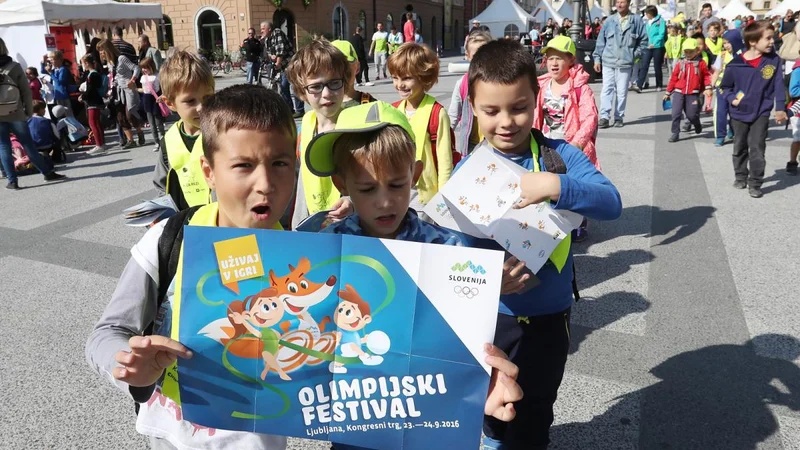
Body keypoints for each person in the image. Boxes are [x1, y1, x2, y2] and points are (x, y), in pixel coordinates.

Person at [302, 100, 524, 450]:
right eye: (367, 189)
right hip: (355, 408)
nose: (384, 201)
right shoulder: (325, 249)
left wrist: (489, 291)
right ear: (341, 183)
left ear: (416, 174)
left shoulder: (447, 248)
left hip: (425, 407)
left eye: (396, 185)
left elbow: (465, 327)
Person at [86, 85, 297, 450]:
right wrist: (130, 366)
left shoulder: (301, 257)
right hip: (175, 438)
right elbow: (106, 333)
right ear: (209, 172)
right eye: (243, 166)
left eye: (279, 164)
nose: (265, 185)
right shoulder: (170, 240)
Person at [461, 39, 622, 450]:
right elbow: (449, 245)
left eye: (518, 107)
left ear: (537, 97)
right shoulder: (468, 170)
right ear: (473, 106)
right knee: (491, 409)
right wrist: (487, 278)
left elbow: (611, 203)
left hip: (551, 315)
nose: (506, 122)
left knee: (537, 407)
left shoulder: (559, 156)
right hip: (490, 317)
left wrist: (557, 185)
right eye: (491, 111)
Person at [533, 35, 601, 242]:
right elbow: (535, 113)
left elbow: (591, 116)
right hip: (548, 141)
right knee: (551, 182)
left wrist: (578, 143)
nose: (553, 63)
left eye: (559, 58)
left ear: (571, 60)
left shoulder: (580, 87)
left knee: (574, 184)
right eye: (550, 58)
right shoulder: (541, 85)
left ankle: (578, 223)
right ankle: (554, 222)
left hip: (572, 143)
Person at [286, 39, 354, 228]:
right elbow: (302, 182)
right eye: (316, 86)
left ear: (345, 82)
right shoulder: (306, 124)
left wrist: (352, 201)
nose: (326, 93)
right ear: (301, 92)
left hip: (348, 227)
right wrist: (296, 225)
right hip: (311, 224)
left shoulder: (356, 126)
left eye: (334, 83)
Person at [720, 20, 787, 198]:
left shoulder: (773, 61)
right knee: (740, 146)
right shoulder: (735, 64)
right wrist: (732, 99)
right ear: (753, 42)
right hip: (739, 113)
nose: (772, 41)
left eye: (772, 38)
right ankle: (740, 176)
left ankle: (755, 182)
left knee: (757, 147)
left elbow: (779, 86)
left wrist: (780, 108)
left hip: (761, 112)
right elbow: (725, 87)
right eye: (768, 38)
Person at [388, 43, 453, 216]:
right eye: (395, 77)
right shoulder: (393, 110)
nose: (399, 84)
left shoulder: (437, 113)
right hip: (396, 191)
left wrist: (444, 198)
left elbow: (445, 160)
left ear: (424, 77)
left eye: (406, 78)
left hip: (424, 195)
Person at [152, 50, 215, 210]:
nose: (201, 107)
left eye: (207, 98)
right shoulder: (169, 140)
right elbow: (162, 185)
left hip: (220, 223)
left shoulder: (222, 133)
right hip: (185, 224)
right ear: (170, 103)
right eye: (190, 101)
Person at [0, 38, 66, 190]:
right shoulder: (14, 67)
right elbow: (25, 91)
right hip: (15, 111)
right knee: (27, 143)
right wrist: (29, 111)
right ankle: (47, 173)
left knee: (3, 146)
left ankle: (12, 181)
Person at [593, 0, 649, 128]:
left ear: (628, 3)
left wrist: (633, 55)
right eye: (617, 2)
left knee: (622, 91)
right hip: (608, 60)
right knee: (607, 89)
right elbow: (601, 41)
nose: (619, 4)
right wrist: (597, 58)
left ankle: (619, 117)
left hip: (625, 63)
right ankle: (604, 117)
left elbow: (643, 41)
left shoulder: (636, 21)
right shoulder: (609, 21)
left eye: (622, 2)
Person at [449, 30, 491, 157]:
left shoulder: (499, 81)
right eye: (475, 56)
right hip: (470, 145)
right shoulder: (462, 83)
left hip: (495, 143)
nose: (480, 60)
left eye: (485, 54)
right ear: (467, 56)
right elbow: (453, 116)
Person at [98, 39, 145, 149]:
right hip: (118, 90)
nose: (101, 54)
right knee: (120, 116)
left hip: (128, 89)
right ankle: (130, 140)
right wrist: (110, 89)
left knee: (130, 113)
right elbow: (116, 77)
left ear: (107, 50)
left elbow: (136, 68)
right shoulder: (110, 63)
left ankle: (140, 132)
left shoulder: (122, 58)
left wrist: (132, 80)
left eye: (102, 51)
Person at [664, 39, 712, 143]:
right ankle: (675, 133)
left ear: (697, 50)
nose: (688, 54)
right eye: (686, 51)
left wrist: (708, 87)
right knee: (675, 113)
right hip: (678, 92)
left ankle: (696, 123)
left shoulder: (701, 63)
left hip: (693, 93)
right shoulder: (680, 63)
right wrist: (668, 92)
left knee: (691, 114)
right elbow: (674, 78)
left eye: (691, 51)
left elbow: (706, 76)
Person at [263, 21, 303, 118]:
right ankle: (289, 110)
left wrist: (277, 62)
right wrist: (271, 57)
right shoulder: (267, 39)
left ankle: (300, 110)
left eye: (263, 28)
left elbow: (280, 49)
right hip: (283, 67)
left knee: (294, 86)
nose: (261, 31)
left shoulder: (277, 32)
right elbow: (269, 52)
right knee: (283, 86)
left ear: (269, 29)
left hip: (291, 63)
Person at [712, 29, 744, 147]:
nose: (726, 45)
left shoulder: (743, 55)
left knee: (735, 111)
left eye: (728, 42)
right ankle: (720, 136)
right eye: (724, 43)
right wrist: (710, 86)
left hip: (738, 89)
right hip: (722, 88)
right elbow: (716, 71)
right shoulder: (722, 54)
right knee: (720, 111)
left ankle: (732, 128)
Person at [331, 40, 377, 108]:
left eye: (346, 67)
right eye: (334, 67)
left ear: (357, 67)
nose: (340, 73)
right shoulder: (321, 105)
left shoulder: (370, 105)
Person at [79, 54, 108, 155]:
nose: (83, 66)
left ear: (87, 63)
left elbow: (91, 89)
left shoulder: (93, 74)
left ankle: (99, 145)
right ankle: (101, 143)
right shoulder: (93, 74)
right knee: (97, 123)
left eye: (83, 63)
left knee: (93, 123)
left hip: (93, 101)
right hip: (95, 100)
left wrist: (83, 96)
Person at [138, 57, 166, 153]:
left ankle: (164, 140)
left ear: (151, 66)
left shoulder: (157, 76)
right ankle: (156, 142)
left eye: (146, 67)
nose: (144, 70)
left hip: (156, 99)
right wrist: (135, 89)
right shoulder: (143, 77)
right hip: (147, 99)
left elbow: (162, 88)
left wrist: (161, 96)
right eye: (143, 68)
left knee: (159, 122)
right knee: (152, 124)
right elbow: (144, 89)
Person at [636, 5, 667, 91]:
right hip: (647, 46)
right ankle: (639, 85)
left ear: (651, 13)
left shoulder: (660, 21)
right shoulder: (646, 22)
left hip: (657, 46)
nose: (646, 15)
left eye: (647, 13)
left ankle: (659, 84)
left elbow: (662, 33)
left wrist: (654, 43)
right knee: (644, 66)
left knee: (657, 66)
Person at [40, 50, 74, 117]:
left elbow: (59, 82)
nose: (51, 62)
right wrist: (43, 62)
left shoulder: (63, 69)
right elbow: (43, 71)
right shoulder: (55, 70)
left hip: (64, 96)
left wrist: (51, 73)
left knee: (68, 114)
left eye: (53, 60)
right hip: (57, 96)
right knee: (61, 116)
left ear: (59, 60)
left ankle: (73, 127)